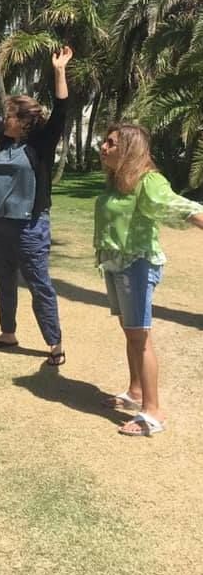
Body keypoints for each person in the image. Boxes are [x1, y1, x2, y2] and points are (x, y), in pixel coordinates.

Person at [0, 47, 72, 365]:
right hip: (2, 225)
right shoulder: (5, 140)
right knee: (4, 281)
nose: (3, 120)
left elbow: (61, 111)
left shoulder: (40, 145)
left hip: (30, 226)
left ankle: (54, 343)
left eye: (10, 116)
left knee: (39, 285)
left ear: (23, 122)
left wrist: (59, 70)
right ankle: (8, 333)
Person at [95, 124, 203, 436]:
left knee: (140, 337)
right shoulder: (117, 182)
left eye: (111, 143)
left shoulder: (149, 181)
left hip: (137, 265)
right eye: (105, 141)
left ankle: (153, 412)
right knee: (131, 333)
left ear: (129, 149)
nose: (104, 147)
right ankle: (136, 391)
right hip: (116, 263)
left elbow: (181, 207)